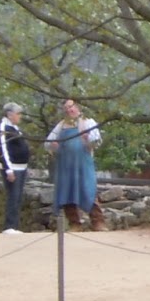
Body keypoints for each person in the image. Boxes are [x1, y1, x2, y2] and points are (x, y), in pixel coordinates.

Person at [45, 98, 105, 231]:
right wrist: (54, 145)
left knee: (88, 189)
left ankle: (98, 222)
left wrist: (88, 139)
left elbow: (97, 141)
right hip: (66, 166)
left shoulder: (88, 122)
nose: (69, 110)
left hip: (83, 164)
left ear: (78, 107)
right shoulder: (61, 126)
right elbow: (48, 142)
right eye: (66, 108)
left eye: (71, 107)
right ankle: (74, 223)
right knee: (68, 192)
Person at [0, 102, 32, 234]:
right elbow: (3, 149)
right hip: (12, 167)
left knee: (18, 197)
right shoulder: (3, 127)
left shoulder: (15, 128)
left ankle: (15, 225)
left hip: (22, 167)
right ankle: (9, 226)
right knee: (13, 195)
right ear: (10, 115)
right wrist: (8, 169)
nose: (20, 117)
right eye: (18, 114)